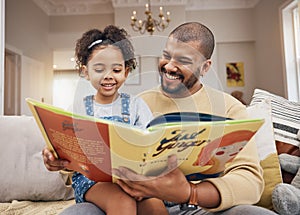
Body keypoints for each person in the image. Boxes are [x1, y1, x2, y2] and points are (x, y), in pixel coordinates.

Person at [43, 22, 277, 215]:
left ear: (205, 67)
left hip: (204, 207)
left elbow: (250, 180)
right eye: (166, 56)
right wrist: (59, 159)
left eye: (184, 61)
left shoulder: (229, 108)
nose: (170, 66)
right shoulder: (139, 102)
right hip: (136, 199)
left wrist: (190, 193)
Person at [43, 25, 168, 215]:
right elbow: (65, 146)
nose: (108, 76)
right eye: (99, 69)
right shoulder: (78, 109)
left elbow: (151, 143)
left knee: (155, 206)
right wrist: (54, 153)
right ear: (86, 72)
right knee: (121, 200)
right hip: (93, 182)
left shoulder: (136, 106)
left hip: (132, 178)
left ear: (126, 72)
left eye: (116, 69)